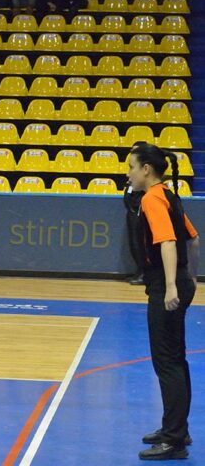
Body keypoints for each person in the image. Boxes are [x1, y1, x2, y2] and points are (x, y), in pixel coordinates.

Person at [127, 143, 199, 461]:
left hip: (165, 284)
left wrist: (171, 286)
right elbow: (193, 237)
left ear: (146, 169)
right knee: (176, 360)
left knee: (167, 363)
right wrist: (191, 277)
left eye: (131, 166)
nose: (128, 172)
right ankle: (177, 429)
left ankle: (173, 440)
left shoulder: (153, 198)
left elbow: (169, 241)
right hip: (179, 280)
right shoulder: (168, 194)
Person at [125, 141, 148, 286]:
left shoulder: (144, 175)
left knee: (140, 244)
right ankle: (139, 271)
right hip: (131, 214)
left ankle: (144, 273)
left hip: (139, 214)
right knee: (133, 244)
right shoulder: (132, 172)